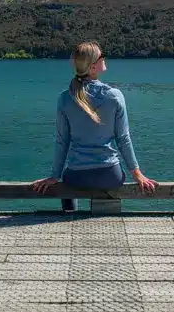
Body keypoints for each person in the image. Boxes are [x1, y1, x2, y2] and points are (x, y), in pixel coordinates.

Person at [32, 41, 157, 209]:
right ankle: (106, 219)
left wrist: (54, 176)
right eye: (101, 57)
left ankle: (70, 215)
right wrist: (137, 175)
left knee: (67, 181)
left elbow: (62, 141)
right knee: (108, 185)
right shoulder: (114, 96)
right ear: (92, 67)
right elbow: (123, 139)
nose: (104, 59)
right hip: (110, 175)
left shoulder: (64, 99)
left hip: (76, 176)